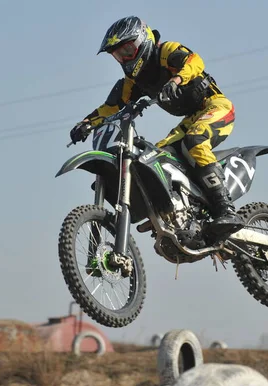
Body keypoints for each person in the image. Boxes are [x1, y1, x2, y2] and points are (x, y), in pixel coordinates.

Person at [69, 16, 243, 234]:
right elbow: (110, 107)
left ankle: (225, 209)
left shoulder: (166, 52)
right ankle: (174, 210)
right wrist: (86, 123)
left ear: (143, 40)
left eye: (128, 50)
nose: (124, 59)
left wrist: (176, 80)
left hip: (215, 106)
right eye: (118, 55)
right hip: (191, 119)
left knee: (195, 142)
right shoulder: (133, 83)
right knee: (158, 158)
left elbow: (195, 61)